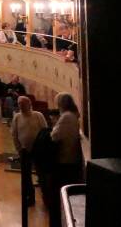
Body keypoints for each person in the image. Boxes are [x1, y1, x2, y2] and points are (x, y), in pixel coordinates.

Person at [47, 93, 83, 227]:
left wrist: (55, 125)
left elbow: (54, 136)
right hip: (71, 161)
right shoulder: (73, 115)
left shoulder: (66, 117)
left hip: (64, 162)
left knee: (57, 198)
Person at [11, 96, 48, 206]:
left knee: (41, 173)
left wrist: (43, 147)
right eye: (19, 104)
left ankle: (46, 196)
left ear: (29, 104)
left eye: (23, 104)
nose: (21, 106)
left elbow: (45, 132)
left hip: (38, 150)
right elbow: (14, 134)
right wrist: (18, 149)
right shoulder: (17, 117)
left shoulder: (38, 115)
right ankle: (30, 197)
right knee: (26, 176)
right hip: (24, 150)